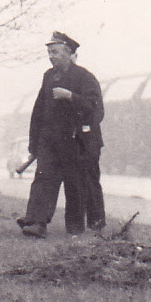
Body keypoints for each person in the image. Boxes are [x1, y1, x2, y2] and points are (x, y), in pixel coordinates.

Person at [17, 32, 104, 238]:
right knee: (43, 179)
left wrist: (71, 96)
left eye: (55, 52)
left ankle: (77, 228)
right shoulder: (49, 76)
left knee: (77, 185)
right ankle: (36, 222)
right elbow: (39, 111)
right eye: (49, 52)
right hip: (50, 141)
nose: (51, 56)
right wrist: (34, 144)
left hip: (77, 142)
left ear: (68, 53)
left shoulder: (85, 77)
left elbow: (96, 110)